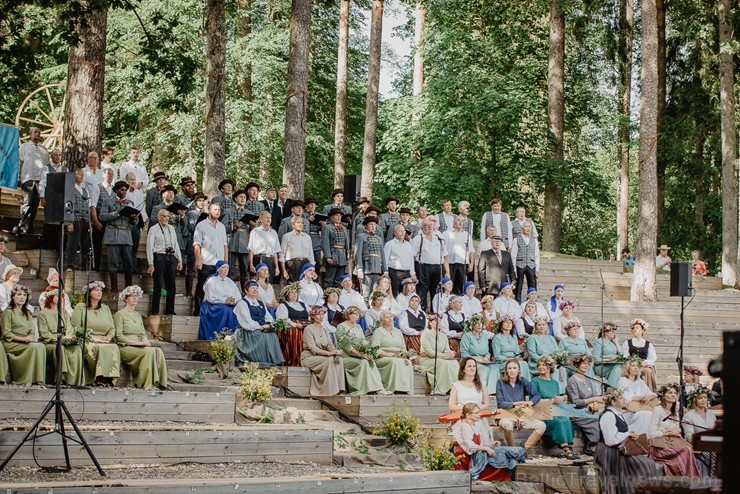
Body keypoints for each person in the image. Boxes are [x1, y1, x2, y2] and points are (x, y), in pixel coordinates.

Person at [594, 388, 661, 494]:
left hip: (618, 449)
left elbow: (620, 432)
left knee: (649, 463)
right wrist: (627, 434)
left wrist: (631, 433)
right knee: (645, 465)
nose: (624, 400)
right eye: (621, 398)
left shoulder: (618, 414)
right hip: (609, 452)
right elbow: (610, 440)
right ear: (613, 402)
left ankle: (643, 490)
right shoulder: (608, 415)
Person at [452, 403, 526, 481]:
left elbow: (479, 445)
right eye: (476, 413)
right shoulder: (464, 426)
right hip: (469, 457)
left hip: (477, 453)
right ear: (468, 415)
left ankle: (520, 453)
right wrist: (487, 449)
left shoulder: (474, 426)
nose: (479, 414)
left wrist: (491, 444)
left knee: (512, 450)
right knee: (501, 451)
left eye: (479, 412)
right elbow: (469, 446)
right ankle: (518, 455)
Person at [114, 286, 168, 389]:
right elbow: (118, 336)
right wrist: (137, 343)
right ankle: (145, 383)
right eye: (132, 296)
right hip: (125, 347)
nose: (135, 298)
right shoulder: (119, 315)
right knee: (148, 352)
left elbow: (142, 332)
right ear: (126, 299)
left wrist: (145, 341)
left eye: (136, 296)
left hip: (140, 344)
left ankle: (158, 383)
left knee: (158, 351)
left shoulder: (138, 315)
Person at [71, 281, 121, 385]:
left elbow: (112, 328)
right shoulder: (80, 307)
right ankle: (98, 377)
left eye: (101, 290)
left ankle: (109, 378)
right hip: (87, 339)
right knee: (96, 347)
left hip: (104, 339)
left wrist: (108, 337)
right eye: (96, 290)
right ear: (89, 293)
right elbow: (75, 328)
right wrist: (92, 337)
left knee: (114, 347)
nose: (99, 292)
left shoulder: (105, 308)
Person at [531, 358, 580, 459]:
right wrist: (551, 401)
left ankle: (569, 446)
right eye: (539, 365)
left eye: (544, 365)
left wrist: (561, 399)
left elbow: (558, 400)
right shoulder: (535, 381)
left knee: (566, 420)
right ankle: (566, 448)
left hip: (555, 410)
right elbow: (534, 401)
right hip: (542, 411)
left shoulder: (555, 383)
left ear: (550, 367)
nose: (541, 367)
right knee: (558, 422)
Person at [648, 383, 701, 476]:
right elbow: (652, 433)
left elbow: (678, 428)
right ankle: (687, 479)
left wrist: (679, 430)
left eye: (675, 393)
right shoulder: (658, 410)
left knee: (689, 448)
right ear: (663, 396)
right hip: (660, 447)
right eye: (669, 392)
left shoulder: (677, 410)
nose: (673, 395)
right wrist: (666, 433)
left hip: (673, 443)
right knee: (686, 450)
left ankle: (692, 480)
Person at [496, 361, 547, 455]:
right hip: (506, 415)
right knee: (507, 425)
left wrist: (530, 402)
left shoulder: (523, 381)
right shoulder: (500, 382)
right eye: (509, 368)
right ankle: (513, 451)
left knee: (541, 426)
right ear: (506, 370)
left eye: (514, 368)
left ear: (519, 370)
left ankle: (524, 450)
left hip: (521, 415)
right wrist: (515, 404)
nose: (512, 371)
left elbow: (536, 395)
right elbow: (500, 403)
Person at [37, 287, 85, 386]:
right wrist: (59, 338)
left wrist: (70, 337)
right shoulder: (43, 314)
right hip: (50, 343)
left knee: (77, 349)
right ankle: (61, 378)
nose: (60, 298)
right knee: (60, 348)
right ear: (50, 297)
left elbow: (70, 328)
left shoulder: (64, 313)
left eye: (61, 296)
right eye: (57, 295)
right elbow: (44, 333)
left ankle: (75, 380)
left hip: (65, 340)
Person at [335, 306, 388, 395]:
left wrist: (368, 352)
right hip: (346, 356)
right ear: (348, 315)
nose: (357, 317)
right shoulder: (341, 327)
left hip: (359, 354)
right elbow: (346, 346)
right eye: (355, 315)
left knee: (370, 361)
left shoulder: (358, 326)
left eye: (358, 315)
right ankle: (364, 388)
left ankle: (378, 388)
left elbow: (363, 341)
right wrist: (360, 355)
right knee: (364, 362)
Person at [1, 285, 46, 385]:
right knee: (33, 348)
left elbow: (31, 332)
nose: (22, 297)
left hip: (25, 342)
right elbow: (6, 333)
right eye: (19, 294)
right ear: (13, 296)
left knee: (41, 346)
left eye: (24, 295)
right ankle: (24, 379)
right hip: (10, 343)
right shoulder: (8, 312)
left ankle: (37, 380)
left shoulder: (27, 313)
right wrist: (22, 339)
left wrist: (29, 338)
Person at [234, 280, 285, 367]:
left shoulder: (261, 303)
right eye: (252, 288)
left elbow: (268, 317)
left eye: (256, 288)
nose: (255, 290)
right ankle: (260, 360)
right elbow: (247, 321)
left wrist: (270, 324)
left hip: (261, 328)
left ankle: (273, 361)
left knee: (272, 334)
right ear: (246, 290)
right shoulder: (242, 303)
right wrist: (260, 327)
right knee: (262, 336)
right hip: (247, 331)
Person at [100, 180, 137, 291]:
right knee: (113, 263)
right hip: (113, 234)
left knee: (129, 263)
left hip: (126, 234)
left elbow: (133, 223)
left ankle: (128, 288)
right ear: (116, 190)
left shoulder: (130, 202)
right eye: (121, 190)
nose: (124, 192)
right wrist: (118, 213)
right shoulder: (108, 201)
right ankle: (114, 289)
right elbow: (102, 216)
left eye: (125, 190)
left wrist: (134, 218)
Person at [564, 355, 605, 456]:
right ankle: (592, 448)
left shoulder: (588, 379)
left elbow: (594, 396)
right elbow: (576, 401)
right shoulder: (572, 380)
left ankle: (603, 447)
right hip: (574, 410)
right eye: (583, 363)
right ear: (577, 365)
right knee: (594, 419)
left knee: (603, 417)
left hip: (588, 409)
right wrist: (593, 399)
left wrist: (596, 402)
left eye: (588, 364)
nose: (586, 366)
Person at [300, 305, 345, 396]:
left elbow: (329, 345)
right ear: (312, 316)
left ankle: (340, 389)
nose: (321, 317)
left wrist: (336, 351)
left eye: (323, 314)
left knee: (338, 360)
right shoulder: (308, 329)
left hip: (323, 356)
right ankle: (330, 390)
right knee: (329, 361)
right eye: (318, 314)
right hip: (309, 357)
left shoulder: (324, 329)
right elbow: (313, 348)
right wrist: (329, 353)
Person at [193, 202, 228, 315]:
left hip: (219, 264)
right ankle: (198, 311)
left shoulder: (222, 227)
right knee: (202, 286)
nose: (217, 211)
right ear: (209, 211)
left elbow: (225, 245)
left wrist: (225, 262)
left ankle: (214, 312)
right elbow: (197, 244)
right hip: (206, 261)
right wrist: (198, 260)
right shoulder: (201, 225)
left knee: (218, 288)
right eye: (215, 209)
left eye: (219, 210)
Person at [146, 208, 183, 315]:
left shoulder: (171, 228)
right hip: (159, 256)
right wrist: (151, 263)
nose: (166, 218)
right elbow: (149, 246)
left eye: (168, 216)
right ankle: (155, 311)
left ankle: (170, 309)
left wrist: (179, 259)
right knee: (158, 284)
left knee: (172, 284)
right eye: (164, 216)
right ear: (159, 217)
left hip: (170, 257)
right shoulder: (154, 229)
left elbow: (175, 244)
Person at [369, 310, 415, 394]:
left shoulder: (398, 332)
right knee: (395, 362)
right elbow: (375, 349)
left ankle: (405, 389)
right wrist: (388, 355)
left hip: (398, 356)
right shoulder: (378, 331)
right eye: (387, 317)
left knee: (408, 362)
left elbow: (403, 348)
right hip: (383, 357)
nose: (390, 319)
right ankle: (393, 388)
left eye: (391, 317)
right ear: (382, 320)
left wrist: (404, 355)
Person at [14, 127, 49, 234]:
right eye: (35, 132)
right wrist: (18, 177)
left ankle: (29, 226)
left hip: (40, 180)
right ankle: (23, 226)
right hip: (28, 178)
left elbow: (47, 166)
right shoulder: (24, 147)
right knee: (27, 203)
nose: (37, 134)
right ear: (30, 134)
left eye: (39, 133)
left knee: (35, 204)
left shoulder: (44, 149)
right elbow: (19, 162)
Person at [411, 218, 449, 311]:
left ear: (433, 227)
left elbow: (445, 256)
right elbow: (412, 256)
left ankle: (435, 311)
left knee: (436, 290)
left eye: (430, 225)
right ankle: (421, 311)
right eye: (425, 226)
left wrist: (447, 271)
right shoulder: (418, 238)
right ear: (422, 227)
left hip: (438, 267)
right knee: (422, 290)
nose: (428, 227)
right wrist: (412, 272)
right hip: (423, 267)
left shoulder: (439, 239)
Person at [417, 313, 459, 395]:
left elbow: (446, 350)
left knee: (454, 363)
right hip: (427, 360)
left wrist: (450, 353)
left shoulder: (443, 336)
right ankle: (440, 389)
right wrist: (444, 355)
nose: (438, 322)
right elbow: (429, 352)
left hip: (441, 358)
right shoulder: (425, 334)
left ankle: (453, 389)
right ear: (430, 323)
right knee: (444, 363)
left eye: (440, 321)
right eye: (436, 320)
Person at [198, 260, 240, 340]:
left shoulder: (230, 281)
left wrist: (233, 301)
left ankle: (232, 337)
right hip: (211, 305)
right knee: (226, 310)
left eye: (227, 268)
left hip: (228, 304)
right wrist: (225, 301)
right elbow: (211, 297)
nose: (225, 270)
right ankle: (218, 336)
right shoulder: (211, 280)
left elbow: (238, 295)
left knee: (235, 310)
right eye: (223, 267)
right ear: (218, 269)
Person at [683, 385, 717, 475]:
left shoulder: (711, 413)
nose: (703, 400)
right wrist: (702, 438)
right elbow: (688, 436)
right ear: (694, 400)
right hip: (700, 446)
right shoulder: (688, 416)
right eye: (700, 398)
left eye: (705, 398)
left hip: (713, 443)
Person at [274, 282, 310, 367]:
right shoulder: (283, 305)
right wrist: (296, 325)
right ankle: (295, 360)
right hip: (291, 327)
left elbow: (310, 314)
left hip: (306, 326)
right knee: (296, 334)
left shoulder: (303, 304)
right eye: (292, 292)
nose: (294, 294)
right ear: (287, 294)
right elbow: (283, 320)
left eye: (296, 292)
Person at [616, 359, 655, 434]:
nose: (636, 368)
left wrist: (649, 397)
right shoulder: (622, 380)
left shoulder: (640, 381)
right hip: (627, 412)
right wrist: (636, 398)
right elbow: (624, 399)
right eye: (633, 366)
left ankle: (646, 436)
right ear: (628, 368)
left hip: (639, 409)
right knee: (646, 414)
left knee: (649, 413)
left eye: (637, 366)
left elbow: (652, 394)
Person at [460, 314, 498, 389]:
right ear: (472, 325)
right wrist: (476, 360)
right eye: (477, 323)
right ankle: (479, 389)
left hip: (483, 360)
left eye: (481, 323)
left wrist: (486, 358)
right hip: (470, 360)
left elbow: (487, 352)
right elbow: (464, 353)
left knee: (495, 367)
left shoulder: (484, 336)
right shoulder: (467, 336)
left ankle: (491, 391)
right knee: (485, 369)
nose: (479, 325)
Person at [526, 317, 564, 392]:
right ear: (535, 327)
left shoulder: (551, 338)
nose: (541, 326)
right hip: (537, 362)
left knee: (560, 367)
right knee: (550, 367)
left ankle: (559, 391)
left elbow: (557, 352)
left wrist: (556, 359)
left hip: (551, 361)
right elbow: (532, 354)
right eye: (539, 325)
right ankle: (550, 391)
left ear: (546, 326)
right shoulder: (532, 338)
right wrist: (545, 361)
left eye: (543, 324)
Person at [65, 167, 92, 271]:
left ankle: (84, 265)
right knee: (73, 243)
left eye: (82, 175)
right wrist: (69, 222)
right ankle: (69, 264)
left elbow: (87, 205)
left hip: (84, 219)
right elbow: (68, 206)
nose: (81, 176)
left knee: (85, 244)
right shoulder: (70, 189)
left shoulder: (84, 190)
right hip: (75, 219)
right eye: (79, 174)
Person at [224, 189, 251, 288]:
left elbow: (253, 230)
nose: (243, 199)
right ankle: (228, 288)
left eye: (244, 197)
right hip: (232, 241)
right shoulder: (228, 211)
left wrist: (255, 225)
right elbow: (223, 228)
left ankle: (245, 291)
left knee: (245, 269)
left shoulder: (249, 212)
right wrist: (235, 226)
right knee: (229, 268)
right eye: (241, 197)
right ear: (235, 198)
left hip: (245, 242)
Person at [621, 319, 657, 391]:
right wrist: (631, 363)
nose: (634, 329)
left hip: (644, 365)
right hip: (631, 365)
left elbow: (652, 358)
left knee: (647, 371)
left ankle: (646, 391)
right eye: (633, 328)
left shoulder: (648, 344)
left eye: (637, 328)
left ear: (642, 330)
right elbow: (625, 355)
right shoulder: (627, 343)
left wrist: (646, 362)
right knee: (632, 369)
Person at [559, 323, 597, 389]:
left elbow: (588, 354)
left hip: (583, 362)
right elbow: (561, 355)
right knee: (577, 369)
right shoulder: (563, 341)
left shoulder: (582, 341)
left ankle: (591, 389)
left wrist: (587, 361)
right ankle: (579, 389)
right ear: (569, 331)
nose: (576, 331)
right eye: (573, 329)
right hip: (570, 364)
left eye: (577, 329)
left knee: (589, 368)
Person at [492, 315, 530, 381]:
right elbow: (497, 356)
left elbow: (517, 352)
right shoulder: (497, 338)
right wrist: (511, 359)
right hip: (502, 362)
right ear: (501, 325)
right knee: (519, 365)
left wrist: (518, 357)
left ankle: (526, 385)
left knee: (524, 363)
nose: (509, 324)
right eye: (506, 322)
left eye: (510, 322)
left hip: (514, 360)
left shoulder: (514, 337)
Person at [444, 216, 475, 295]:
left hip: (462, 263)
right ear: (453, 222)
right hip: (450, 262)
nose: (460, 222)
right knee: (449, 285)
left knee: (461, 286)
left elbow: (471, 250)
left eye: (462, 221)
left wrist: (471, 264)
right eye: (458, 220)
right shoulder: (446, 233)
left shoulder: (466, 235)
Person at [280, 214, 315, 283]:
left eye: (302, 223)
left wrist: (312, 269)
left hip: (305, 263)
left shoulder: (307, 237)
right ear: (293, 225)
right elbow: (282, 254)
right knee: (294, 285)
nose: (300, 224)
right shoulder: (287, 236)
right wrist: (283, 270)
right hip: (292, 264)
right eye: (298, 222)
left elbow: (311, 254)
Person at [385, 224, 416, 296]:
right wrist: (386, 272)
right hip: (395, 272)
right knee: (394, 293)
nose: (402, 233)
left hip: (407, 273)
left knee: (406, 293)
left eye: (403, 231)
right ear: (395, 232)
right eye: (400, 231)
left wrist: (412, 273)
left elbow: (411, 260)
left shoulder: (408, 245)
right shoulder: (389, 244)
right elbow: (385, 259)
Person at [511, 222, 540, 302]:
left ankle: (532, 301)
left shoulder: (534, 240)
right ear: (522, 228)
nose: (528, 228)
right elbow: (513, 255)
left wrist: (537, 269)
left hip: (531, 264)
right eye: (526, 226)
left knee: (532, 285)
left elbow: (536, 255)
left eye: (529, 227)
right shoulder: (516, 239)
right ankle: (517, 302)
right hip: (520, 264)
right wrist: (514, 269)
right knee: (519, 285)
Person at [322, 208, 350, 287]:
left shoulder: (344, 228)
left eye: (340, 216)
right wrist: (328, 256)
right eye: (336, 215)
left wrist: (347, 256)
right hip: (333, 254)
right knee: (329, 279)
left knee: (339, 279)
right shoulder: (327, 227)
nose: (338, 217)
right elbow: (325, 242)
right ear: (331, 217)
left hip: (342, 256)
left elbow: (347, 243)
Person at [593, 322, 623, 388]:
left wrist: (616, 342)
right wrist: (609, 359)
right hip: (601, 367)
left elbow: (621, 355)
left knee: (619, 368)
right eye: (612, 331)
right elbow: (595, 359)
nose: (614, 333)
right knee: (618, 368)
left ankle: (612, 388)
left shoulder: (612, 343)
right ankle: (611, 389)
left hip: (613, 365)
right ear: (606, 332)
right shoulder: (599, 342)